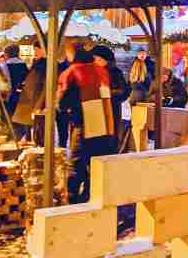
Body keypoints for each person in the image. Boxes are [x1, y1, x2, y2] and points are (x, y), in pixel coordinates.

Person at [60, 45, 119, 203]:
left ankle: (71, 199)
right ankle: (91, 195)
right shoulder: (101, 71)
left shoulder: (73, 71)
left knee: (76, 162)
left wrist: (62, 108)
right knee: (95, 163)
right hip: (105, 124)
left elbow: (63, 100)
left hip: (84, 123)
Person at [90, 46, 130, 146]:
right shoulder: (92, 71)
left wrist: (108, 93)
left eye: (99, 59)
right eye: (95, 59)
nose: (96, 62)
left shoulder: (115, 72)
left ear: (107, 60)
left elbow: (124, 91)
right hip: (95, 111)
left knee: (110, 139)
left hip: (112, 110)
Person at [11, 47, 47, 144]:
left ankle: (38, 148)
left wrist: (40, 104)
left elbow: (45, 86)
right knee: (28, 124)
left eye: (37, 49)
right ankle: (28, 140)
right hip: (29, 98)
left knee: (38, 128)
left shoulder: (44, 65)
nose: (34, 52)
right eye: (34, 50)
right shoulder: (36, 64)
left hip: (36, 99)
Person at [2, 44, 28, 117]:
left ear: (7, 54)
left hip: (10, 95)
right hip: (22, 95)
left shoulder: (5, 65)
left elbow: (6, 81)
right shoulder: (23, 64)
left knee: (9, 116)